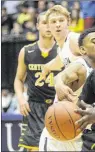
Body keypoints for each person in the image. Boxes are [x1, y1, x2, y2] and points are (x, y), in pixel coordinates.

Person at [39, 27, 95, 151]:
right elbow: (62, 76)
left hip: (82, 137)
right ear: (82, 50)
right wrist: (59, 83)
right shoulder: (81, 67)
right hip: (58, 135)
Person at [14, 12, 59, 151]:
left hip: (58, 106)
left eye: (50, 23)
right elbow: (18, 79)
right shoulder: (26, 51)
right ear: (37, 25)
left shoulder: (63, 51)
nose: (47, 27)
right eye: (44, 23)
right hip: (35, 107)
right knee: (34, 148)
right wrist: (21, 99)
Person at [41, 5, 95, 81]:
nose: (58, 25)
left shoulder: (74, 39)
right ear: (48, 26)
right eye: (53, 21)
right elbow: (58, 61)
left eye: (61, 20)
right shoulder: (61, 47)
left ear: (68, 22)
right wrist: (46, 68)